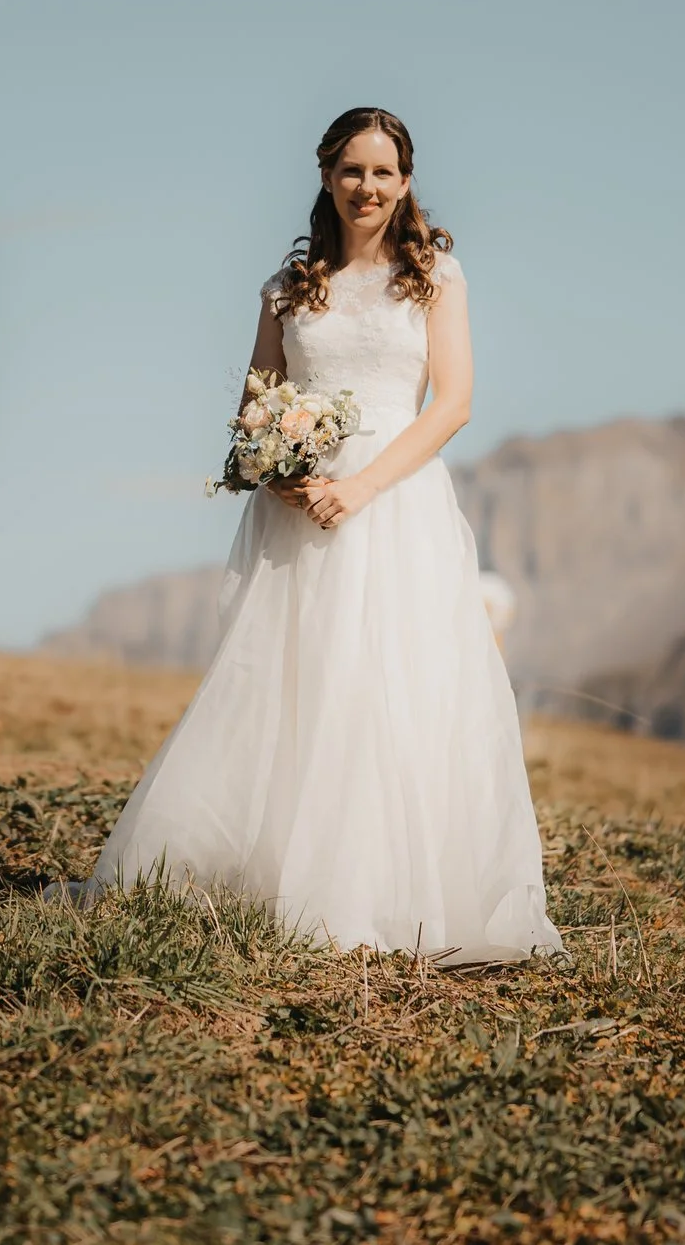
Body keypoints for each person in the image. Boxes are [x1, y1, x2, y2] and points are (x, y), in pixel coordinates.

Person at [84, 108, 562, 963]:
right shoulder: (288, 288)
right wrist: (279, 469)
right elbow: (255, 405)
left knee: (387, 683)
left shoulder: (435, 277)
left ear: (405, 183)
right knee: (293, 681)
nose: (365, 187)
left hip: (395, 502)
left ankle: (377, 892)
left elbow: (452, 402)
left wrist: (363, 488)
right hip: (297, 508)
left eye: (382, 172)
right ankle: (269, 875)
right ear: (325, 176)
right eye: (351, 170)